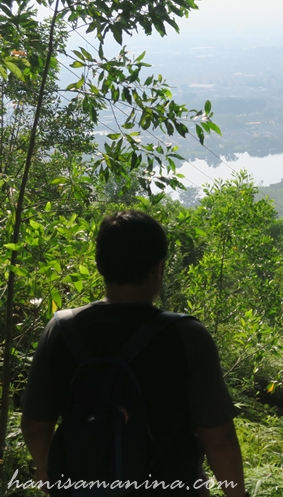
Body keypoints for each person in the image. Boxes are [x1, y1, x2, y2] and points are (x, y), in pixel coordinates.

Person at [21, 210, 247, 497]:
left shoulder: (61, 330)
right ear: (159, 268)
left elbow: (35, 426)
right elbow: (219, 439)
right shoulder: (186, 335)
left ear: (99, 264)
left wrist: (48, 471)